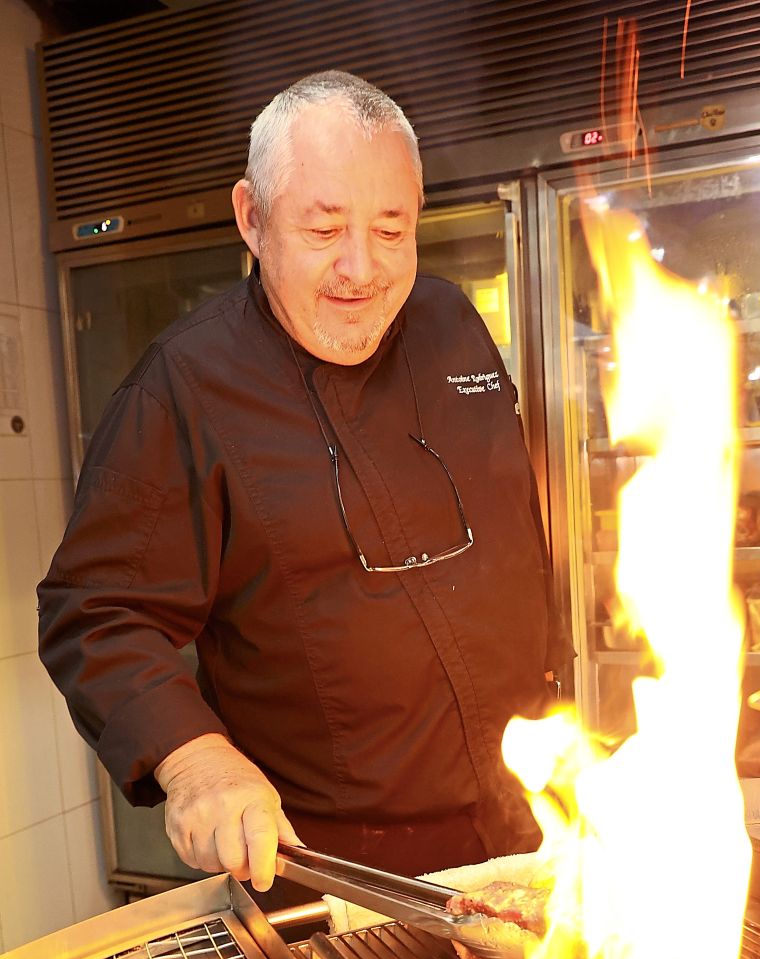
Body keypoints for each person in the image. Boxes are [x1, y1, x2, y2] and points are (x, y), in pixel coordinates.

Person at [37, 70, 572, 899]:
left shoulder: (450, 322)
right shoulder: (184, 386)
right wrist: (196, 761)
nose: (361, 270)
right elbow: (98, 611)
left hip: (533, 828)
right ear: (252, 219)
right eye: (324, 230)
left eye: (392, 231)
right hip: (341, 875)